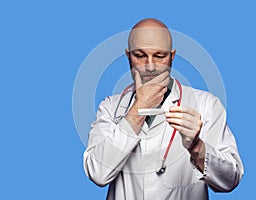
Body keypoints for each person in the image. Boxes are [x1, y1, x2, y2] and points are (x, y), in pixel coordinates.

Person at [83, 18, 244, 200]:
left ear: (172, 56)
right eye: (140, 56)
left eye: (159, 56)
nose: (150, 66)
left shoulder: (207, 105)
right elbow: (98, 173)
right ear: (128, 56)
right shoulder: (110, 107)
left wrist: (197, 148)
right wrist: (138, 109)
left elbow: (230, 179)